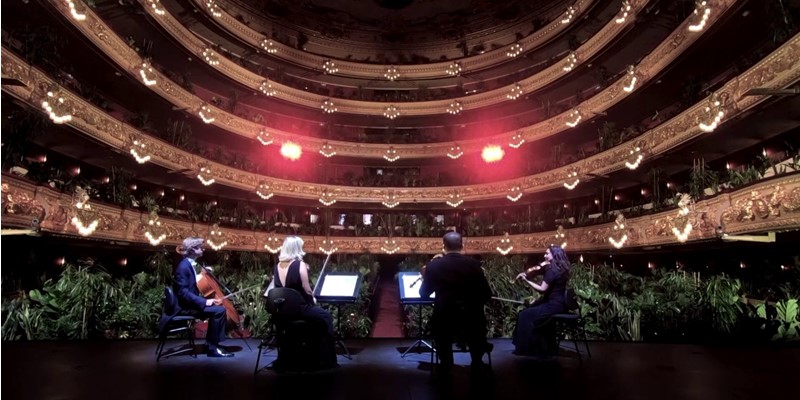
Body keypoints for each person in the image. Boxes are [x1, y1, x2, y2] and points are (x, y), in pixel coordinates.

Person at [420, 231, 493, 370]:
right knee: (477, 322)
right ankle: (477, 361)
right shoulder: (474, 264)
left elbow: (424, 294)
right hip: (472, 318)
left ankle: (446, 363)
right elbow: (486, 293)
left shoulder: (434, 266)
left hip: (445, 317)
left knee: (439, 326)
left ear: (444, 246)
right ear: (462, 245)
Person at [266, 236, 337, 368]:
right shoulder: (300, 265)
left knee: (316, 317)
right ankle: (326, 359)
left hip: (282, 312)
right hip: (299, 309)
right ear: (296, 248)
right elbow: (307, 289)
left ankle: (295, 355)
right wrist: (313, 301)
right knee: (325, 316)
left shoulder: (277, 266)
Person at [173, 237, 233, 357]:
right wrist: (205, 302)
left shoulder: (188, 264)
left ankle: (210, 344)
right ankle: (212, 348)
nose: (203, 249)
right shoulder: (183, 267)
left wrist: (203, 274)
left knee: (219, 309)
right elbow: (183, 292)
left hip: (190, 304)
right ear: (193, 249)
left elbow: (192, 284)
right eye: (200, 247)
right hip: (184, 307)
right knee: (219, 311)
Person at [512, 245, 571, 357]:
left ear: (554, 255)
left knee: (524, 315)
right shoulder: (560, 268)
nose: (544, 255)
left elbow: (542, 289)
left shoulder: (552, 271)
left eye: (547, 253)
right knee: (530, 310)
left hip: (552, 305)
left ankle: (527, 348)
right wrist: (531, 270)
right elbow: (539, 268)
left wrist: (526, 279)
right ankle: (543, 347)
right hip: (559, 303)